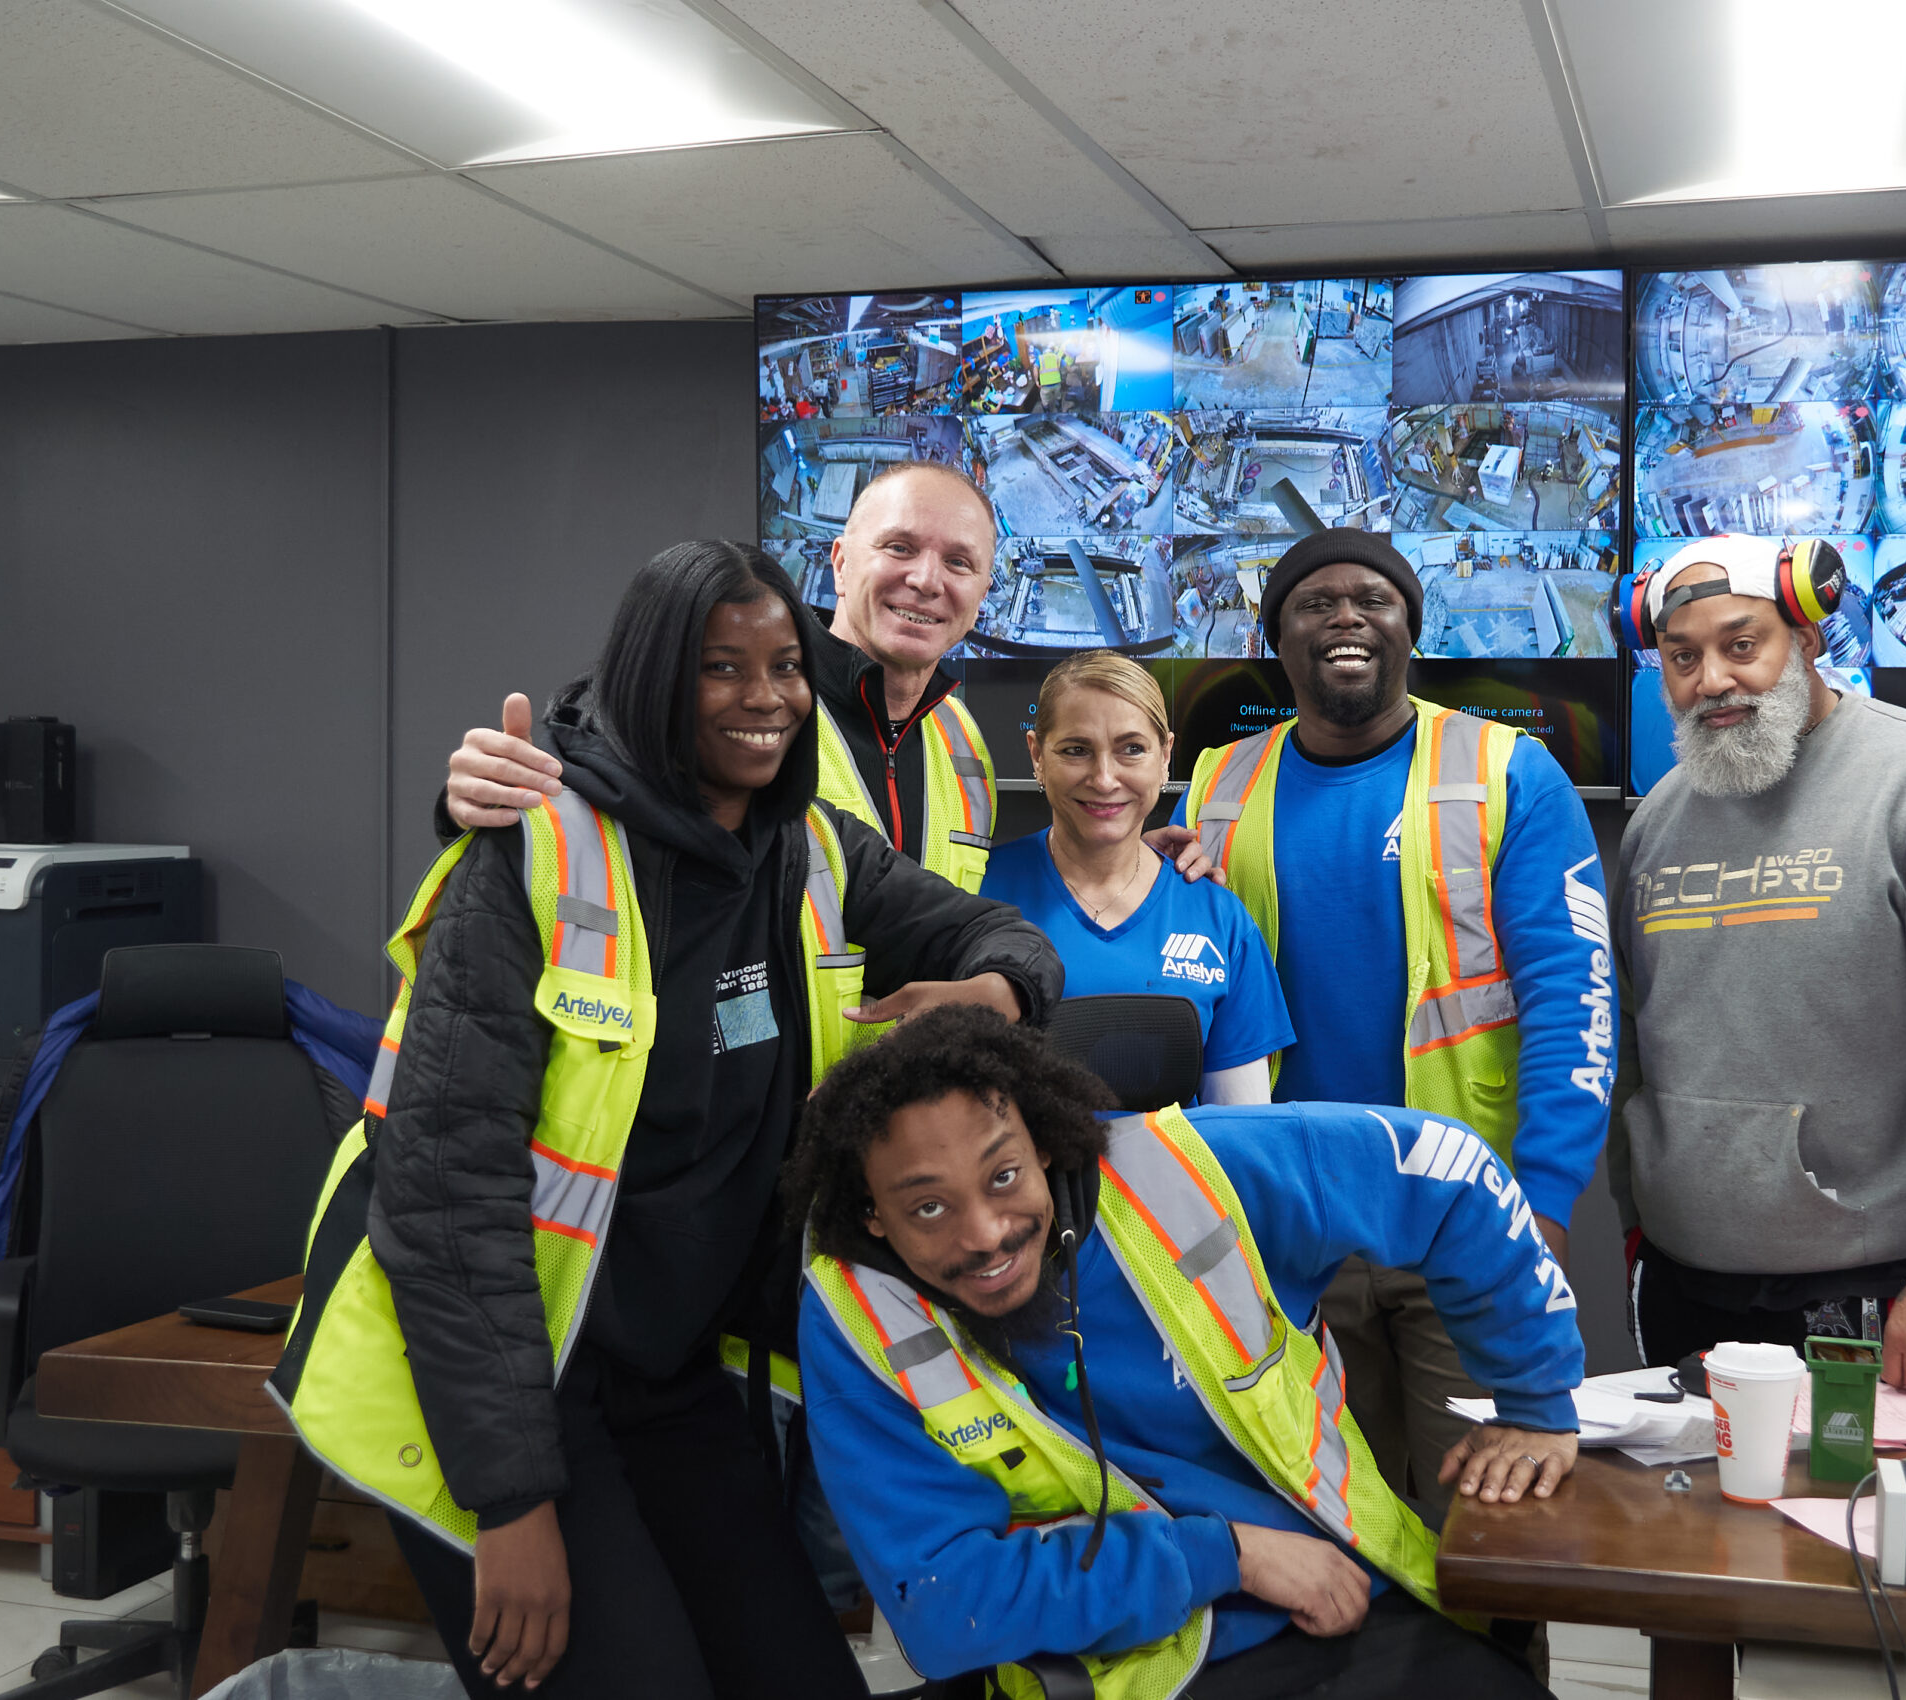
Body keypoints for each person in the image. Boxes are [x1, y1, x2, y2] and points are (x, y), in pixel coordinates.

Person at [273, 542, 1064, 1699]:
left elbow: (1000, 934)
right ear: (652, 676)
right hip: (506, 1382)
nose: (765, 696)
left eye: (785, 665)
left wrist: (996, 992)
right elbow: (445, 1200)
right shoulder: (533, 851)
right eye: (720, 666)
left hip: (671, 1371)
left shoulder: (805, 849)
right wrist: (512, 1501)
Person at [786, 1007, 1581, 1699]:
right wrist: (1224, 1555)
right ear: (873, 1214)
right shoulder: (858, 1321)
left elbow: (1450, 1169)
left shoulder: (1185, 1172)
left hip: (1352, 1609)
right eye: (929, 1207)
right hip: (1120, 1670)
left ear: (1044, 1146)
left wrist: (1538, 1402)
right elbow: (940, 1607)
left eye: (1004, 1176)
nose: (985, 1234)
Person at [1173, 527, 1615, 1518]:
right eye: (1314, 603)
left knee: (1488, 1528)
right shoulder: (1216, 782)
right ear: (1276, 637)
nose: (1345, 617)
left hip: (1460, 1220)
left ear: (1410, 628)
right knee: (1334, 1525)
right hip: (1290, 1225)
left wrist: (1541, 1204)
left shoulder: (1508, 770)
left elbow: (1574, 999)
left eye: (1372, 600)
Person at [1610, 534, 1906, 1391]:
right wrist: (1634, 1223)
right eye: (1682, 658)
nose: (1711, 680)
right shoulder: (1660, 820)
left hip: (1875, 1297)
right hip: (1680, 1286)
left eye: (1741, 644)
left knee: (1857, 1492)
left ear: (1807, 638)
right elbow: (1631, 1044)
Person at [440, 459, 1209, 888]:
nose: (925, 580)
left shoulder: (959, 737)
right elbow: (605, 764)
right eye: (899, 548)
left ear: (983, 591)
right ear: (840, 563)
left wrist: (1126, 856)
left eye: (958, 562)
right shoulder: (745, 709)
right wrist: (477, 795)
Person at [981, 649, 1293, 1104]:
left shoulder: (1219, 919)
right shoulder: (976, 892)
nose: (1104, 778)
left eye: (1132, 749)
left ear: (1165, 756)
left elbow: (1240, 1129)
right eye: (1076, 750)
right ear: (1037, 755)